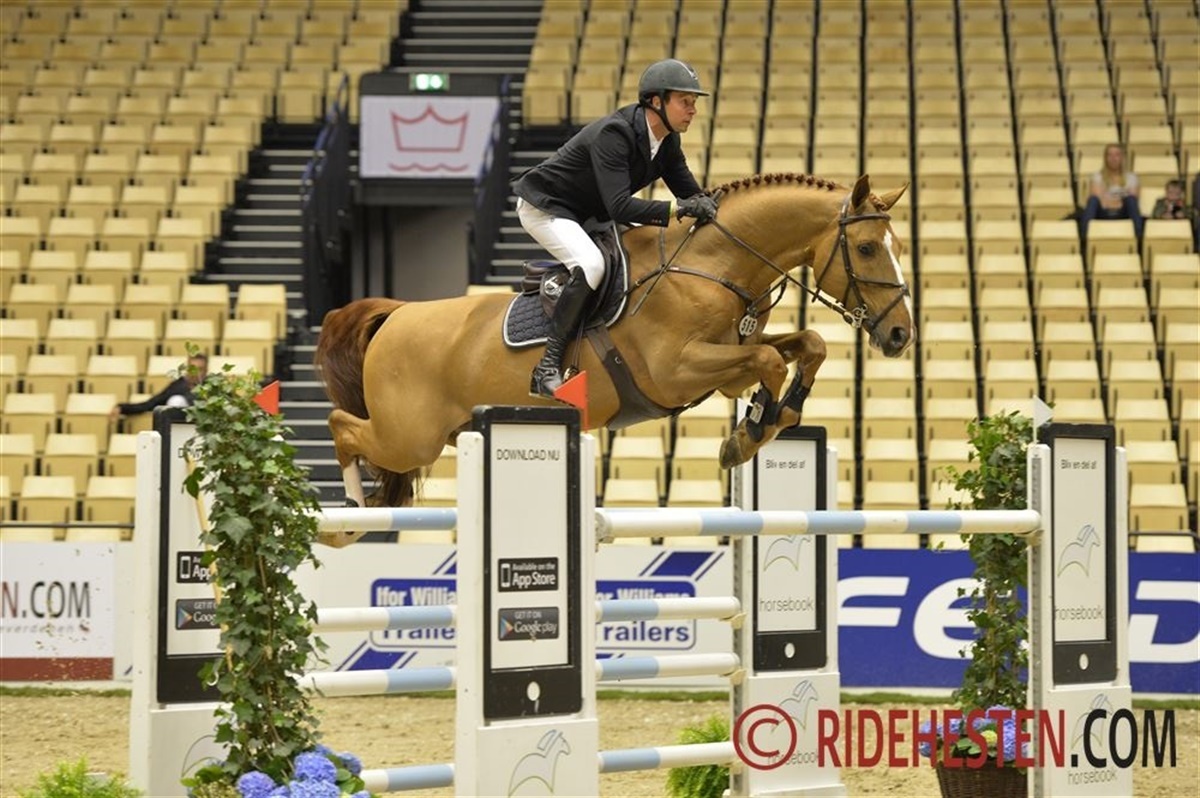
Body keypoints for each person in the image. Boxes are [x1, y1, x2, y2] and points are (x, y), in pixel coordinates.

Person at [512, 58, 718, 399]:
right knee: (592, 264)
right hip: (547, 207)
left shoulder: (667, 142)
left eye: (694, 102)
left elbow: (692, 194)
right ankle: (546, 366)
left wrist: (714, 206)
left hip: (588, 211)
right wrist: (679, 209)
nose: (693, 110)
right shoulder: (615, 134)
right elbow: (620, 207)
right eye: (685, 101)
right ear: (656, 101)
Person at [110, 353, 208, 420]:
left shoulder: (210, 387)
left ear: (206, 371)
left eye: (200, 369)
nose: (195, 373)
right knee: (176, 400)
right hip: (178, 429)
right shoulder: (177, 386)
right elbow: (150, 404)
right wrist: (122, 408)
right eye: (192, 368)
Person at [1079, 143, 1143, 240]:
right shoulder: (1097, 177)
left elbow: (1133, 198)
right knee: (1092, 200)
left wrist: (1109, 200)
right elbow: (1099, 199)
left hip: (1123, 213)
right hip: (1103, 212)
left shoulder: (1132, 177)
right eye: (1110, 155)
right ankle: (1084, 239)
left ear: (1122, 158)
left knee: (1131, 200)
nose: (1113, 158)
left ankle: (1138, 240)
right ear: (1105, 158)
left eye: (1117, 155)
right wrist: (1119, 200)